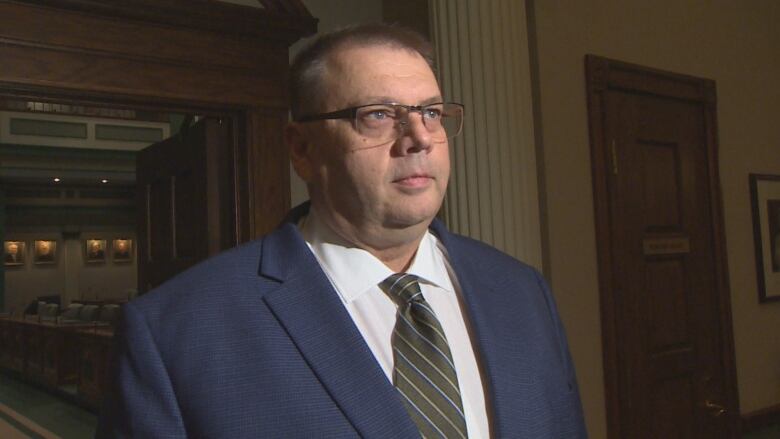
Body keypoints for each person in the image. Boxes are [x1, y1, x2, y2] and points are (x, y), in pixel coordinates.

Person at [97, 24, 586, 438]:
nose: (418, 138)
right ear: (302, 149)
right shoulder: (176, 331)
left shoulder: (522, 291)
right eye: (377, 115)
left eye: (431, 113)